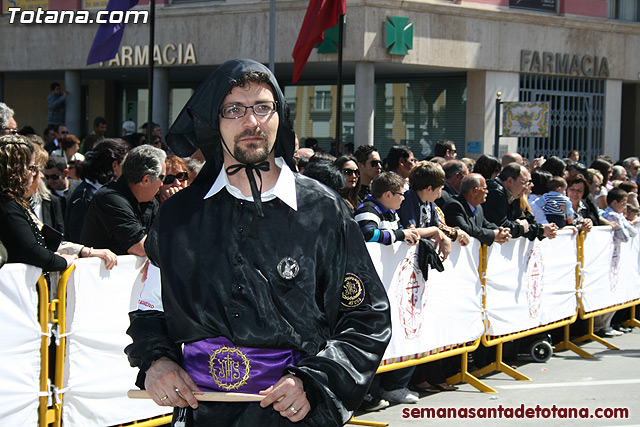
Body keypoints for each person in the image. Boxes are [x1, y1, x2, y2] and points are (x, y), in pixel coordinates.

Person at [124, 59, 391, 426]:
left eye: (263, 107)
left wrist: (312, 381)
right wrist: (157, 361)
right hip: (203, 414)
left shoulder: (323, 211)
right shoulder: (177, 218)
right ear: (213, 121)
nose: (251, 122)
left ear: (279, 116)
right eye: (234, 109)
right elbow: (148, 309)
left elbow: (366, 317)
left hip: (296, 413)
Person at [0, 134, 116, 272]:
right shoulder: (7, 205)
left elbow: (46, 242)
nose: (39, 176)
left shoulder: (15, 203)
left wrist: (84, 252)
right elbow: (31, 250)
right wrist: (63, 261)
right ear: (15, 171)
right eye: (32, 169)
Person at [80, 145, 165, 256]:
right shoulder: (109, 199)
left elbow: (162, 235)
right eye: (162, 178)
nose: (162, 184)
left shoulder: (150, 201)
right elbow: (140, 247)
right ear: (146, 179)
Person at [65, 138, 129, 242]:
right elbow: (78, 239)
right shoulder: (85, 197)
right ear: (115, 165)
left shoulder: (108, 192)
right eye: (125, 164)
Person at [483, 163, 558, 240]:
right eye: (524, 182)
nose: (527, 187)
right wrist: (522, 227)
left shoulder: (514, 193)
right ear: (510, 181)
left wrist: (540, 229)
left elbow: (523, 221)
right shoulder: (495, 192)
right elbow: (502, 226)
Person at [397, 162, 452, 258]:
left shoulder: (430, 202)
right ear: (429, 188)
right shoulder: (409, 199)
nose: (440, 194)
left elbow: (436, 228)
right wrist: (435, 230)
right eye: (439, 189)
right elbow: (411, 232)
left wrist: (444, 238)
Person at [355, 172, 420, 246]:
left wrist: (410, 235)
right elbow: (369, 235)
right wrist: (402, 234)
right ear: (388, 194)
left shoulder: (392, 211)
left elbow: (398, 233)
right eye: (401, 194)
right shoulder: (367, 209)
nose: (403, 198)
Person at [444, 174, 511, 246]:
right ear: (475, 191)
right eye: (484, 188)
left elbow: (486, 224)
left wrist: (501, 231)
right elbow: (466, 229)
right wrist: (493, 235)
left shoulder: (478, 207)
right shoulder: (454, 205)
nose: (487, 192)